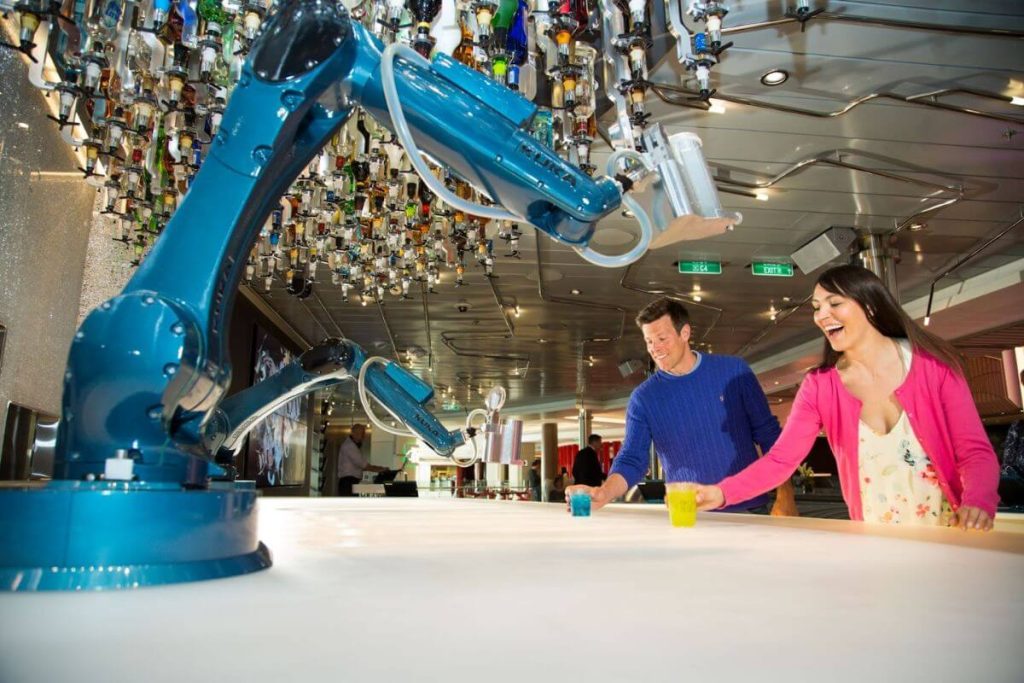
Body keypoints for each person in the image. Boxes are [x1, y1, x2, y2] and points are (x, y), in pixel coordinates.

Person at [689, 265, 1000, 530]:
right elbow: (781, 460)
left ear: (871, 306)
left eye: (834, 303)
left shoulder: (933, 366)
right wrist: (721, 493)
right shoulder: (820, 386)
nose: (822, 315)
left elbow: (974, 452)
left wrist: (978, 501)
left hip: (948, 536)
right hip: (873, 543)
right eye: (816, 307)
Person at [567, 298, 797, 515]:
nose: (655, 348)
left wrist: (786, 494)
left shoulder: (733, 371)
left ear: (684, 333)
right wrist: (604, 492)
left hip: (749, 507)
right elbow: (632, 459)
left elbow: (769, 435)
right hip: (688, 513)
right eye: (649, 341)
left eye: (662, 338)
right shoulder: (643, 398)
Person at [336, 423, 389, 496]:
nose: (363, 436)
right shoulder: (350, 447)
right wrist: (381, 469)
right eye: (361, 433)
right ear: (354, 433)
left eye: (363, 433)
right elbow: (364, 465)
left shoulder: (351, 446)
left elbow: (360, 466)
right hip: (348, 483)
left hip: (348, 482)